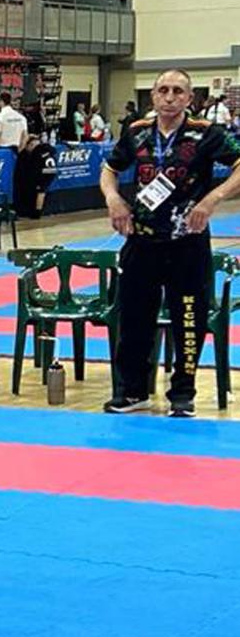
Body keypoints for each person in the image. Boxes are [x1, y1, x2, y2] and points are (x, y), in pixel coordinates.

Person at [101, 68, 240, 417]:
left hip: (187, 244)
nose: (170, 97)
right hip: (142, 241)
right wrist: (113, 200)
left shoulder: (207, 134)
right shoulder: (135, 132)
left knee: (188, 319)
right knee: (133, 319)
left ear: (190, 99)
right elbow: (109, 169)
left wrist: (212, 199)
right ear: (153, 96)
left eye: (178, 91)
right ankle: (133, 391)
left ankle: (183, 392)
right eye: (163, 89)